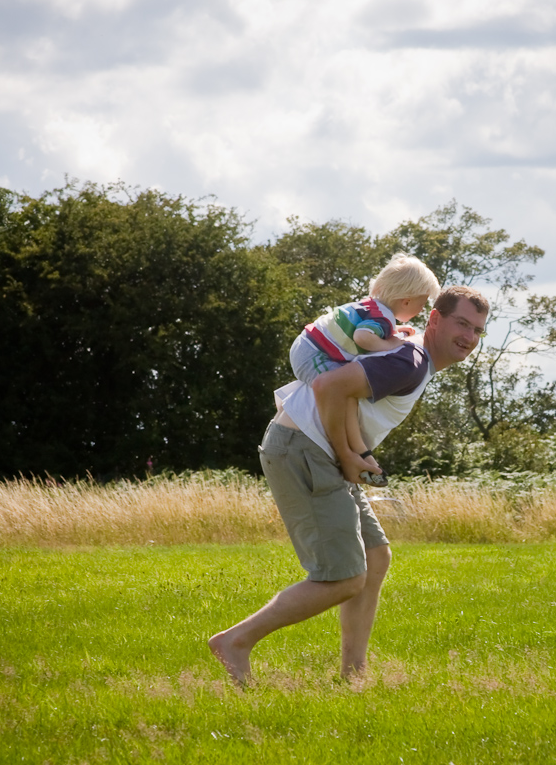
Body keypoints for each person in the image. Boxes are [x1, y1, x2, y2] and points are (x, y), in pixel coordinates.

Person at [208, 285, 489, 685]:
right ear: (435, 319)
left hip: (317, 447)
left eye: (478, 330)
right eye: (462, 323)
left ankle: (353, 676)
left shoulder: (413, 356)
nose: (469, 336)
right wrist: (347, 456)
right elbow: (327, 386)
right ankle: (235, 641)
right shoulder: (409, 360)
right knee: (343, 577)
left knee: (375, 558)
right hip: (304, 447)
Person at [289, 253, 440, 478]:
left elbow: (363, 329)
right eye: (422, 303)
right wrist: (390, 344)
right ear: (406, 301)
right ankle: (354, 452)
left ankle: (360, 452)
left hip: (307, 345)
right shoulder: (382, 319)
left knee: (346, 392)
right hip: (314, 355)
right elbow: (362, 337)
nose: (421, 310)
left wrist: (394, 332)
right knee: (344, 395)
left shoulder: (376, 309)